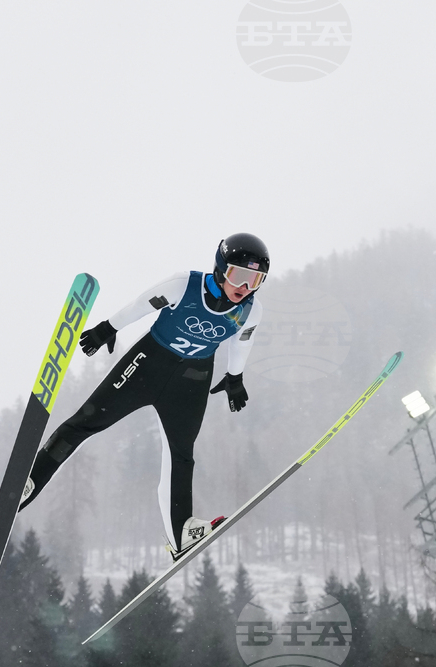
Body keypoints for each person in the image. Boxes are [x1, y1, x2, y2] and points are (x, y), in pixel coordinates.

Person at [18, 233, 269, 561]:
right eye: (240, 276)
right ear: (221, 269)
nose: (245, 288)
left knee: (182, 455)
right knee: (86, 422)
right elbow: (141, 304)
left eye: (257, 281)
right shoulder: (184, 285)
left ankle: (180, 533)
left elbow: (242, 342)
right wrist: (109, 327)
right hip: (147, 364)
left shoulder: (250, 311)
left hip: (191, 381)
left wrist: (235, 376)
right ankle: (29, 481)